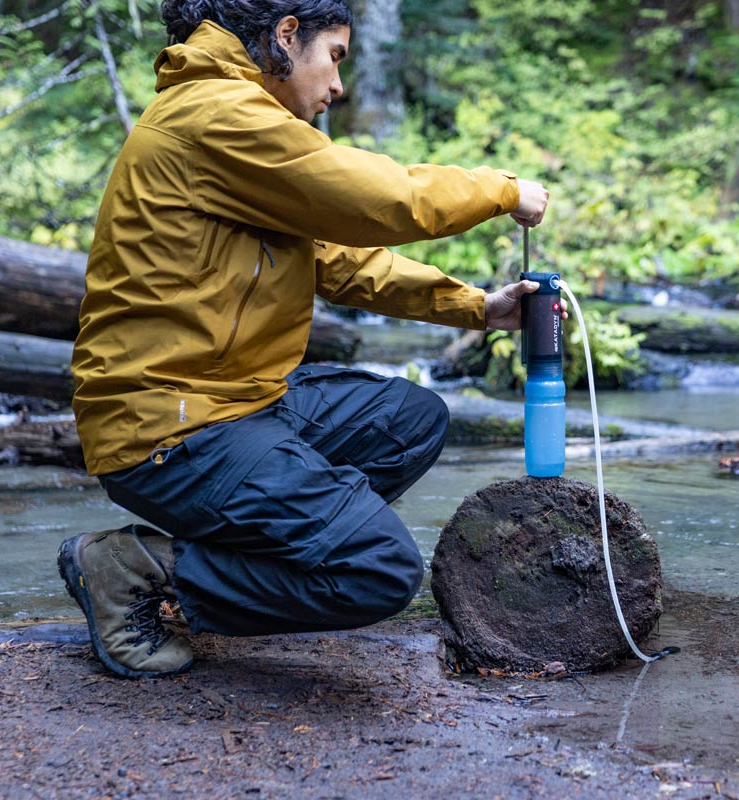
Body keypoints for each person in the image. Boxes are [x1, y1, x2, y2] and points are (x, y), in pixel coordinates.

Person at [58, 0, 555, 679]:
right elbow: (379, 199)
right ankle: (141, 569)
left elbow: (339, 260)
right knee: (381, 569)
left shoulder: (242, 126)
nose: (338, 85)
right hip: (168, 428)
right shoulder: (219, 115)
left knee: (410, 420)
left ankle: (271, 556)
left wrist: (477, 308)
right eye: (334, 58)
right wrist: (501, 190)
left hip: (231, 403)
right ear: (287, 36)